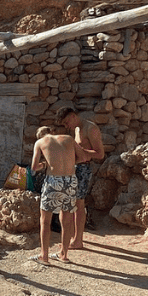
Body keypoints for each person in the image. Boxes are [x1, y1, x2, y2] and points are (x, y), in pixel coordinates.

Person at [58, 106, 105, 250]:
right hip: (74, 168)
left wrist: (79, 150)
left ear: (73, 116)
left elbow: (100, 154)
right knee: (71, 203)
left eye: (66, 122)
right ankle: (72, 236)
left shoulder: (91, 128)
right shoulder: (77, 129)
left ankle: (78, 240)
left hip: (83, 169)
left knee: (79, 204)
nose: (67, 126)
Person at [30, 127, 78, 265]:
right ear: (52, 132)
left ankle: (43, 256)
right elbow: (83, 157)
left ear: (40, 136)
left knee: (45, 220)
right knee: (67, 219)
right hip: (70, 180)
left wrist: (45, 164)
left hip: (53, 180)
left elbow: (34, 167)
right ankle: (64, 254)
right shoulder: (68, 139)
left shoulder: (40, 142)